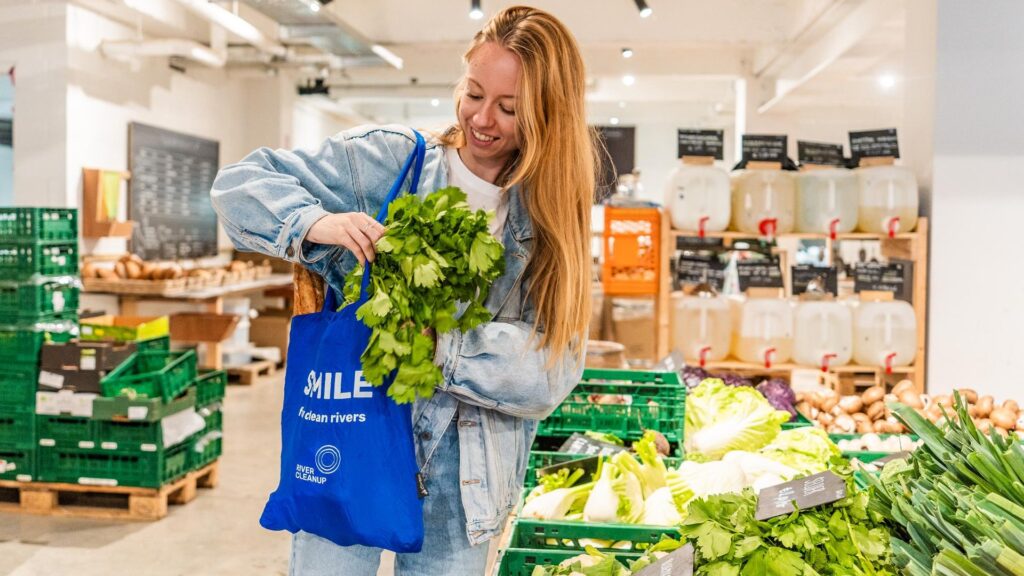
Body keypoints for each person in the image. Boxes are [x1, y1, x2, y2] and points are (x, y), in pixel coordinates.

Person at [210, 5, 598, 575]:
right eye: (473, 93)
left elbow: (551, 370)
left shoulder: (548, 216)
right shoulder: (390, 162)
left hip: (468, 477)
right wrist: (314, 225)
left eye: (510, 108)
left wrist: (440, 345)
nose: (482, 119)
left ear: (548, 115)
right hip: (348, 437)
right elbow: (239, 186)